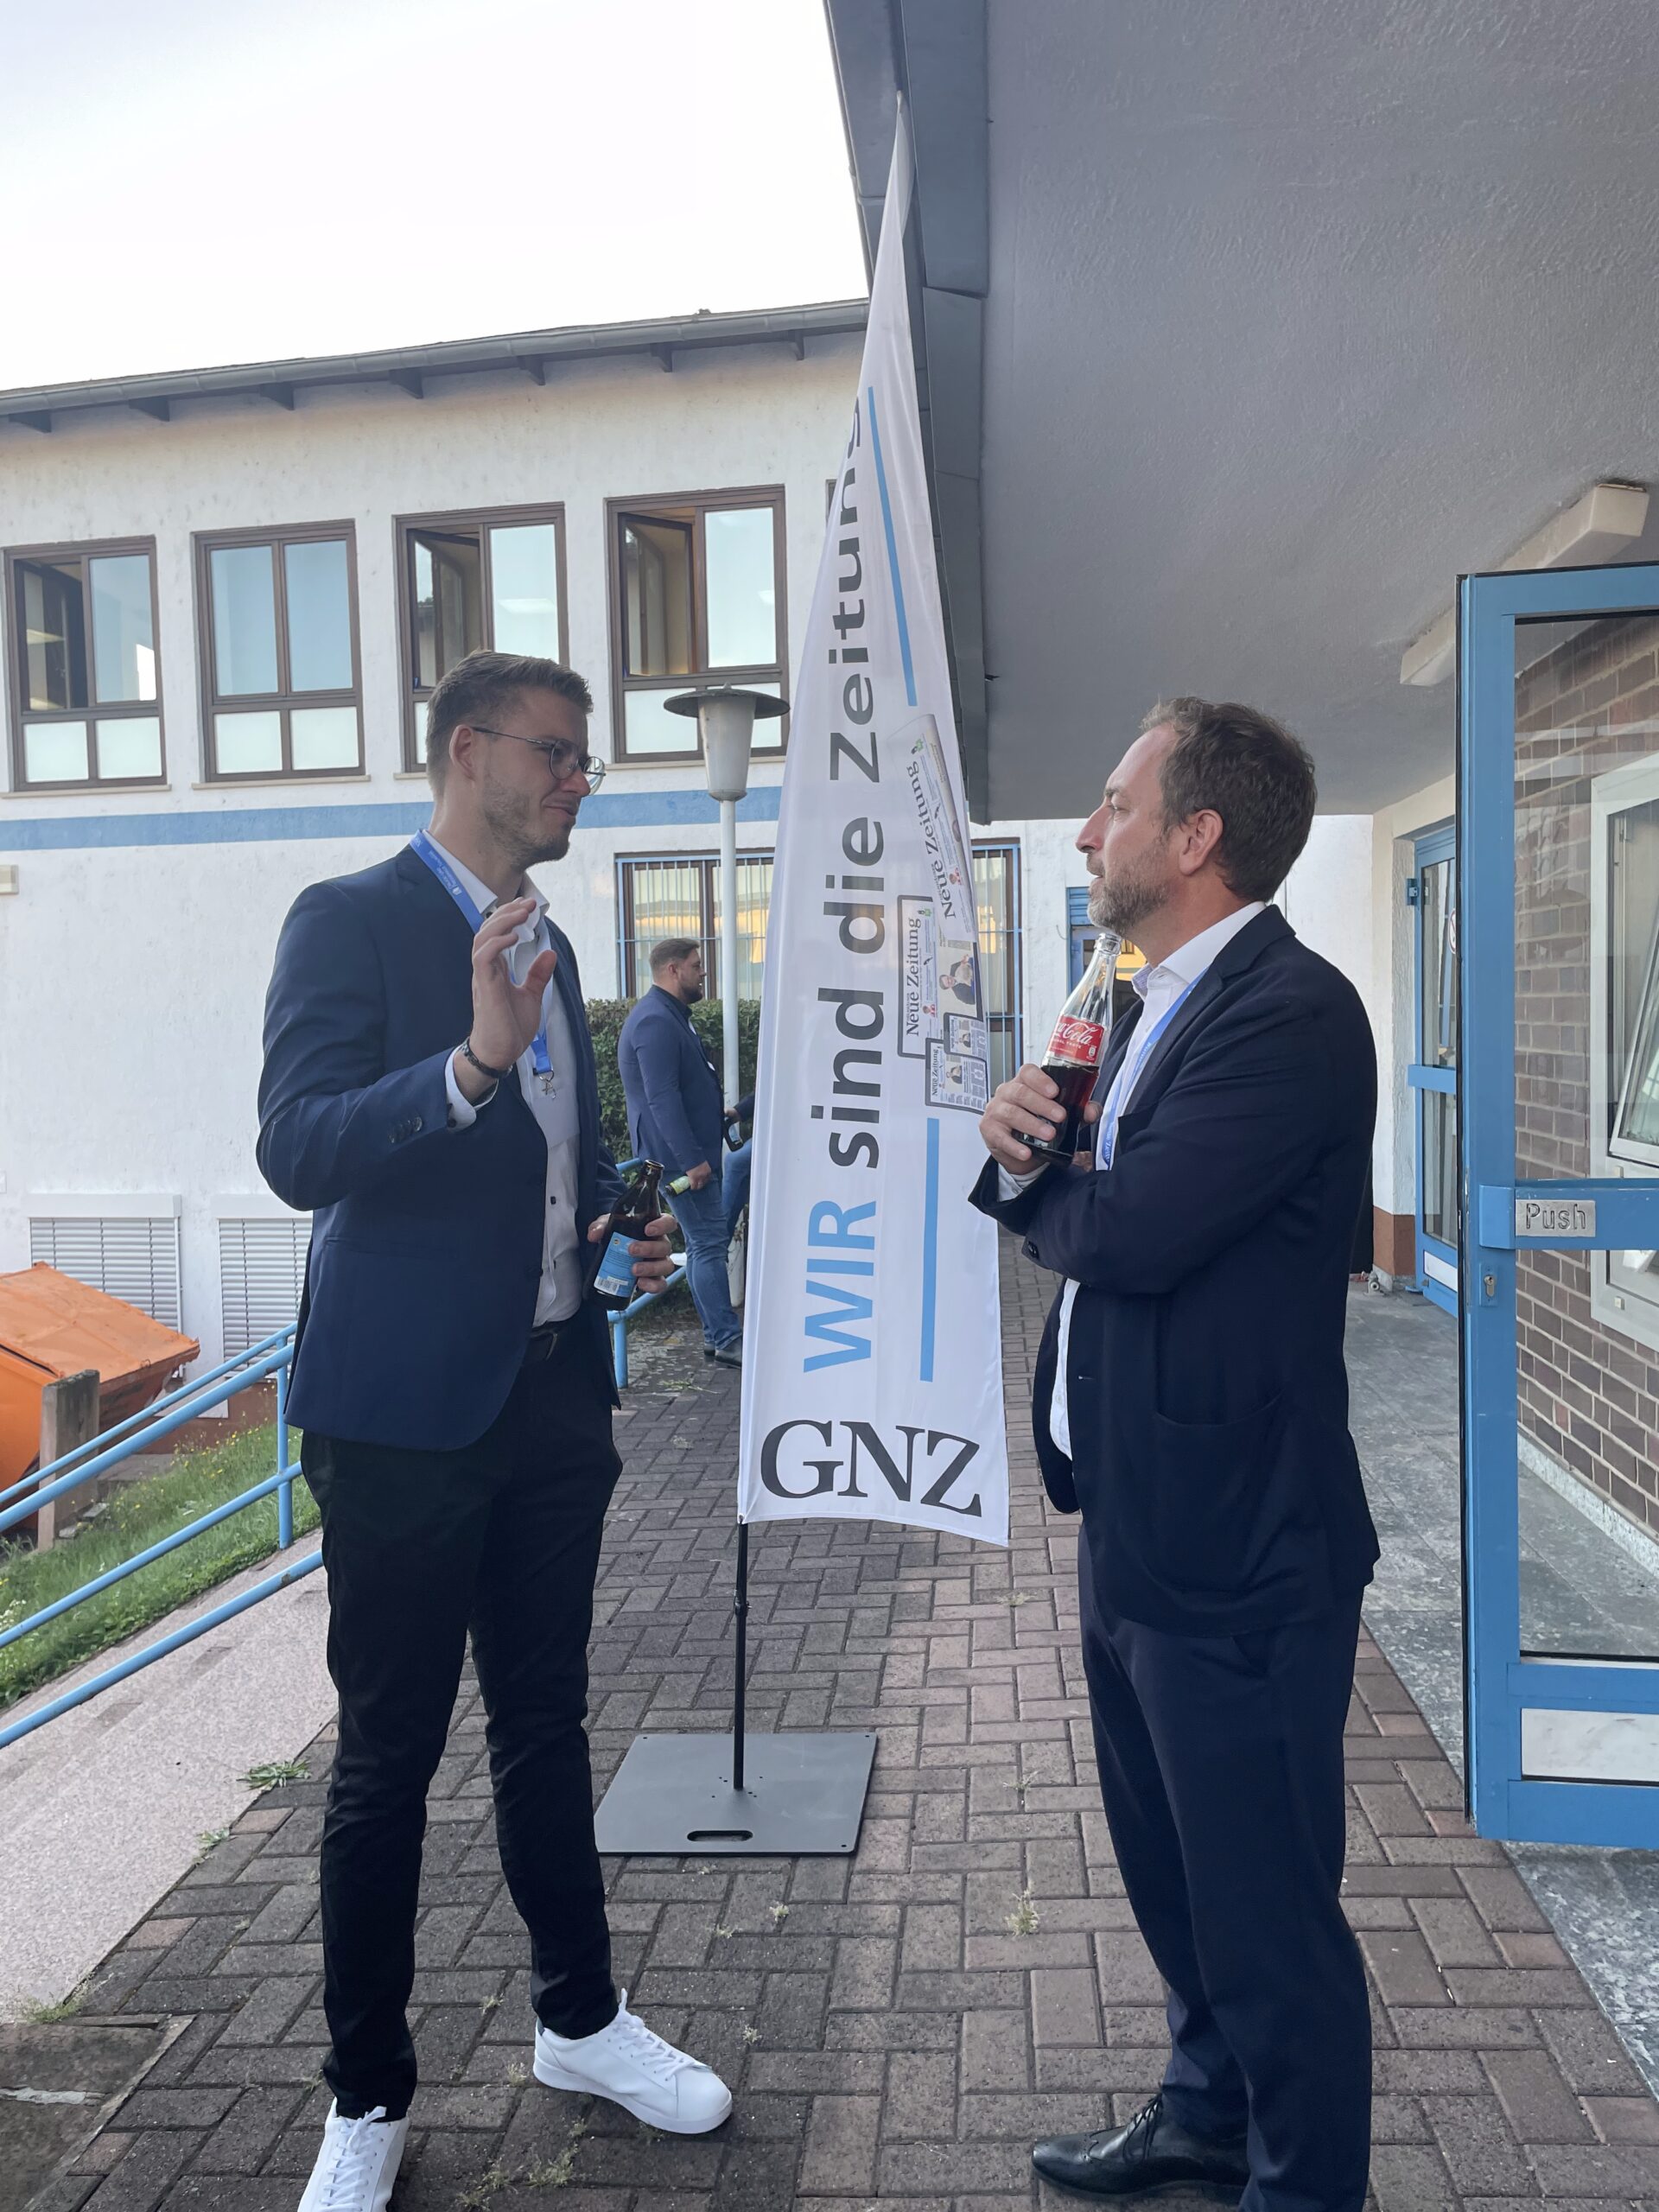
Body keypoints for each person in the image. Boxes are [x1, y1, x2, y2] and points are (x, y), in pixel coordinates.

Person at [258, 651, 732, 2212]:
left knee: (546, 1723)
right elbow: (295, 1147)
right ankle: (367, 2096)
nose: (580, 780)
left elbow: (552, 1167)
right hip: (402, 1420)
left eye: (585, 760)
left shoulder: (554, 939)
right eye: (559, 754)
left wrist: (611, 1233)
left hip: (550, 1394)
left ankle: (579, 2021)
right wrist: (467, 1060)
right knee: (387, 1757)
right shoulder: (348, 919)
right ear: (470, 751)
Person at [971, 698, 1379, 2212]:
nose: (1089, 834)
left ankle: (1306, 2188)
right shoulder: (1148, 1001)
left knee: (1269, 1916)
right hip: (1138, 1527)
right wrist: (1029, 1136)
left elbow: (1132, 1232)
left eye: (1116, 805)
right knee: (1174, 1876)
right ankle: (1207, 2113)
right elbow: (1083, 1175)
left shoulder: (1290, 1014)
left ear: (1197, 836)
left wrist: (1033, 1179)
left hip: (1242, 1557)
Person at [617, 939, 744, 1364]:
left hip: (685, 1156)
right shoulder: (656, 1020)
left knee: (703, 1242)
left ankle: (717, 1335)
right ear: (673, 970)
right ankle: (726, 1339)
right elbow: (662, 1099)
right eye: (696, 965)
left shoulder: (666, 1015)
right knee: (707, 1243)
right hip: (680, 1161)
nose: (703, 972)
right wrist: (692, 1161)